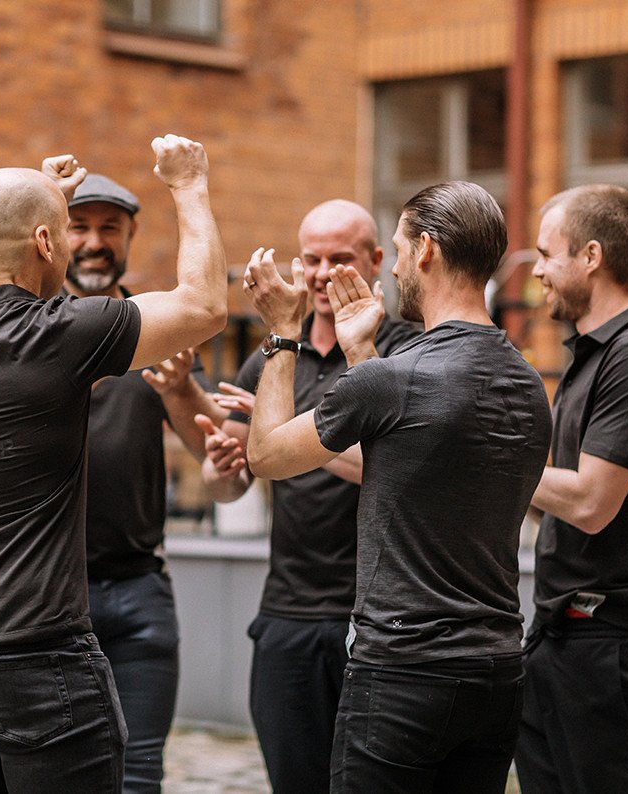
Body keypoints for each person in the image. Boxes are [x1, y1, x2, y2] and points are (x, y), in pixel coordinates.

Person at [0, 136, 226, 792]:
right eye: (64, 236)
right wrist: (189, 184)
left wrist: (42, 203)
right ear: (46, 242)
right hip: (36, 663)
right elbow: (205, 306)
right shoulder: (56, 336)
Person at [241, 181, 551, 793]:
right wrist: (361, 350)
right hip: (495, 670)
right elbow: (406, 451)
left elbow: (266, 454)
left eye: (401, 251)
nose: (397, 268)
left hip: (403, 671)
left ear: (427, 249)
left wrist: (281, 332)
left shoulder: (398, 377)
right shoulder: (526, 381)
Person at [197, 199, 419, 794]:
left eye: (338, 259)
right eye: (311, 259)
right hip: (288, 614)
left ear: (376, 259)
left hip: (377, 618)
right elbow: (229, 485)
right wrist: (221, 465)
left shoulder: (405, 351)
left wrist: (288, 428)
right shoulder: (273, 356)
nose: (322, 274)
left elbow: (398, 469)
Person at [515, 185, 628, 794]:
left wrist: (490, 462)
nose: (536, 270)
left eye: (547, 253)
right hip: (559, 635)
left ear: (591, 256)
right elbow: (560, 504)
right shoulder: (592, 356)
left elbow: (590, 504)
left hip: (614, 652)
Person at [64, 173, 223, 793]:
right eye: (79, 227)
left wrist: (180, 388)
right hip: (51, 593)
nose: (94, 242)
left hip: (139, 590)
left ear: (130, 235)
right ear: (51, 237)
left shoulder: (153, 325)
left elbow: (213, 449)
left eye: (110, 228)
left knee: (138, 777)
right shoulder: (28, 329)